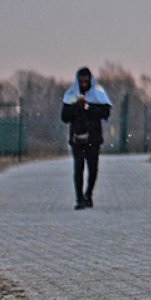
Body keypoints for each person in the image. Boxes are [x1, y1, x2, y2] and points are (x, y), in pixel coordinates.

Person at [61, 67, 112, 210]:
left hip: (93, 138)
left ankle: (88, 194)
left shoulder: (98, 92)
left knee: (93, 169)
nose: (83, 83)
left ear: (90, 80)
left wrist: (88, 107)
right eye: (81, 81)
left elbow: (105, 113)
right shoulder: (71, 94)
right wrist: (77, 106)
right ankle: (79, 199)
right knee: (78, 167)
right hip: (77, 138)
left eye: (86, 81)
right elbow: (64, 117)